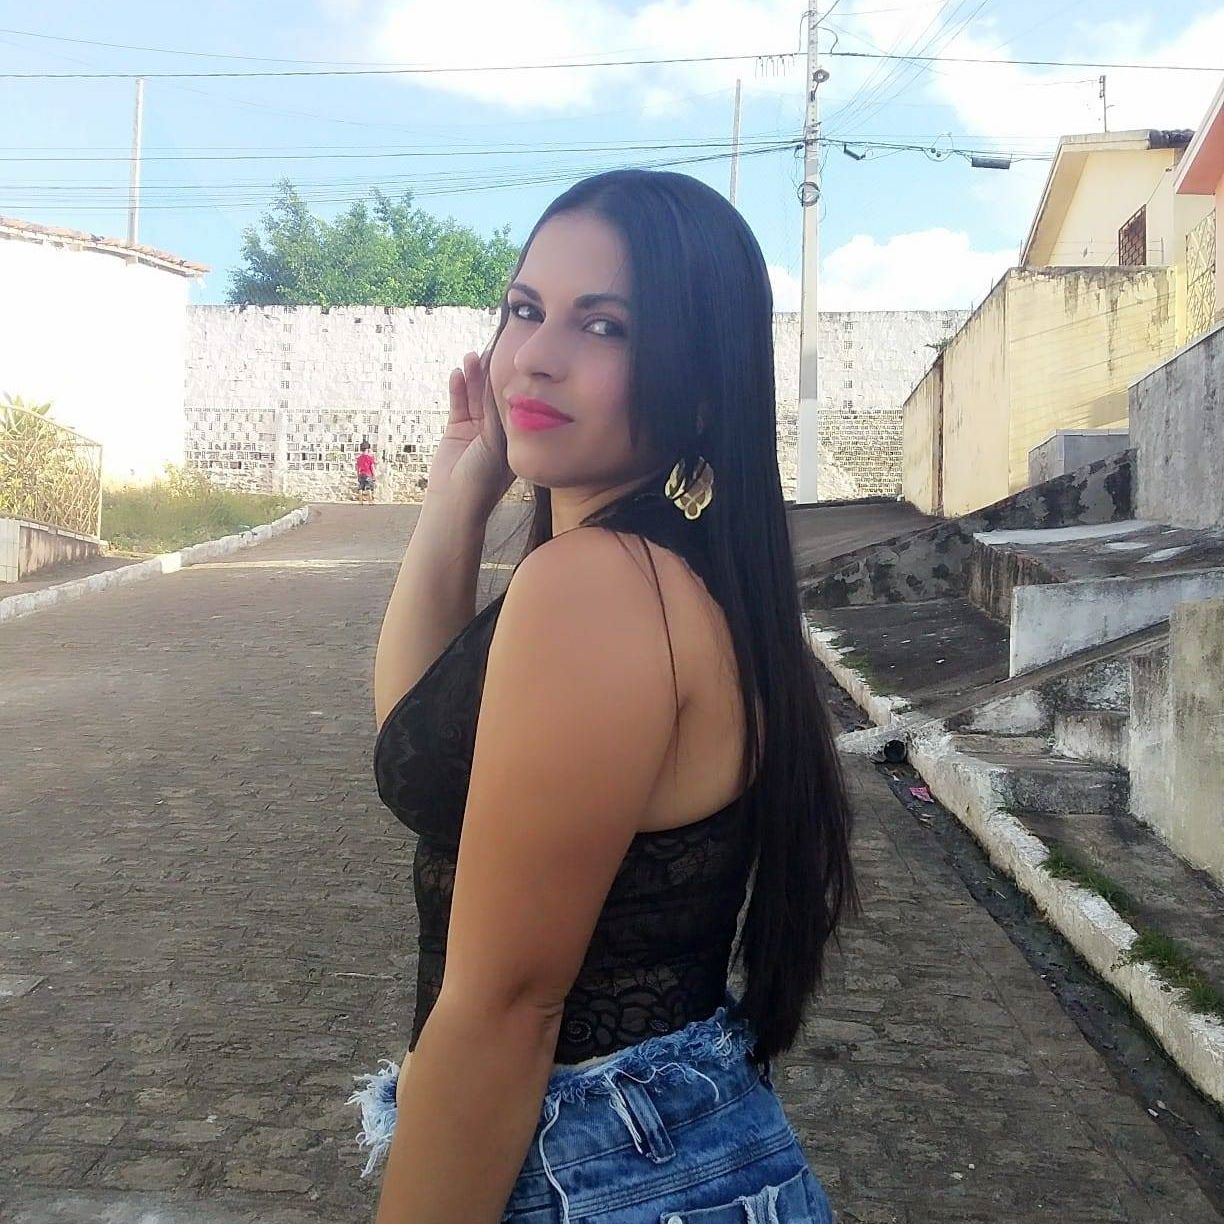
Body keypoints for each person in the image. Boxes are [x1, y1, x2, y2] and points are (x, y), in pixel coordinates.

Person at [351, 169, 856, 1224]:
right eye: (523, 309)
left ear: (700, 381)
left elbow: (504, 1010)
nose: (534, 354)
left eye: (603, 326)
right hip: (669, 1148)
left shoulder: (598, 587)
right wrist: (464, 483)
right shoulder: (664, 573)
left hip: (598, 1172)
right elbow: (418, 746)